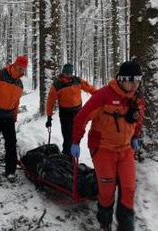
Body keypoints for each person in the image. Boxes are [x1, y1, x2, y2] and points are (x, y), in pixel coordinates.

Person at [70, 61, 145, 231]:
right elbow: (81, 118)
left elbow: (138, 118)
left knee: (129, 187)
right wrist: (75, 142)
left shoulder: (137, 97)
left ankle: (126, 224)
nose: (135, 85)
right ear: (121, 79)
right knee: (107, 188)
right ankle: (105, 221)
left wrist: (136, 136)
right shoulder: (103, 96)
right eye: (131, 81)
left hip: (125, 149)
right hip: (103, 148)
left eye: (138, 81)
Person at [45, 63, 96, 157]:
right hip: (65, 113)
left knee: (76, 135)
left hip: (78, 112)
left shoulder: (77, 80)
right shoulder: (57, 85)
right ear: (63, 72)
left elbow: (90, 88)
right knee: (67, 137)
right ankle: (67, 157)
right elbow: (50, 102)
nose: (68, 75)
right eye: (66, 73)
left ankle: (74, 156)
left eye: (70, 73)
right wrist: (49, 117)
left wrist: (100, 95)